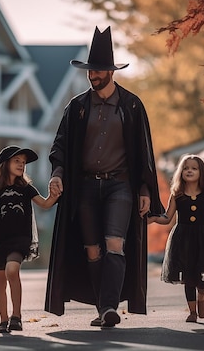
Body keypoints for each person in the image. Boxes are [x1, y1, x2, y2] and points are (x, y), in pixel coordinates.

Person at [45, 26, 165, 328]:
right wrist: (57, 174)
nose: (92, 75)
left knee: (114, 243)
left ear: (110, 71)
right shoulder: (76, 108)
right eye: (90, 70)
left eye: (98, 70)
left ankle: (110, 307)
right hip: (84, 187)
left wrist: (144, 189)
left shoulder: (132, 106)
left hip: (120, 186)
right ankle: (103, 309)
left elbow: (144, 154)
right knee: (92, 250)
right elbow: (60, 146)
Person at [0, 145, 59, 333]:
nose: (21, 164)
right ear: (5, 165)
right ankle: (4, 320)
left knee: (12, 270)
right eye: (17, 161)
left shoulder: (26, 189)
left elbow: (44, 204)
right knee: (0, 281)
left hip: (20, 240)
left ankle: (17, 316)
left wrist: (54, 196)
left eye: (23, 162)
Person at [148, 154, 204, 322]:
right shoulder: (177, 194)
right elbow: (168, 217)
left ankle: (201, 297)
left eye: (194, 168)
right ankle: (192, 312)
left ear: (201, 172)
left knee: (203, 274)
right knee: (188, 276)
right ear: (181, 172)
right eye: (186, 168)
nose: (189, 171)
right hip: (183, 240)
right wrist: (154, 218)